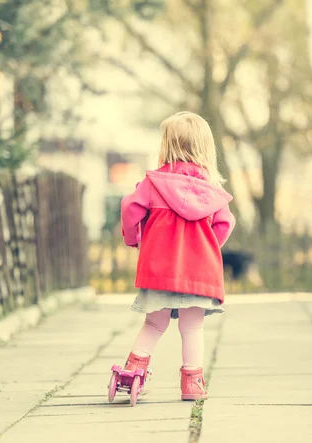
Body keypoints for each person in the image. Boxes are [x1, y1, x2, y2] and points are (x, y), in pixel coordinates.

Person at [118, 111, 235, 401]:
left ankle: (133, 372)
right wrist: (207, 248)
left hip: (160, 271)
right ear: (205, 148)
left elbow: (130, 209)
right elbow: (224, 224)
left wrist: (134, 239)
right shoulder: (212, 191)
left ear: (166, 146)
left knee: (154, 324)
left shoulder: (153, 185)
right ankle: (192, 383)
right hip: (199, 273)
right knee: (192, 326)